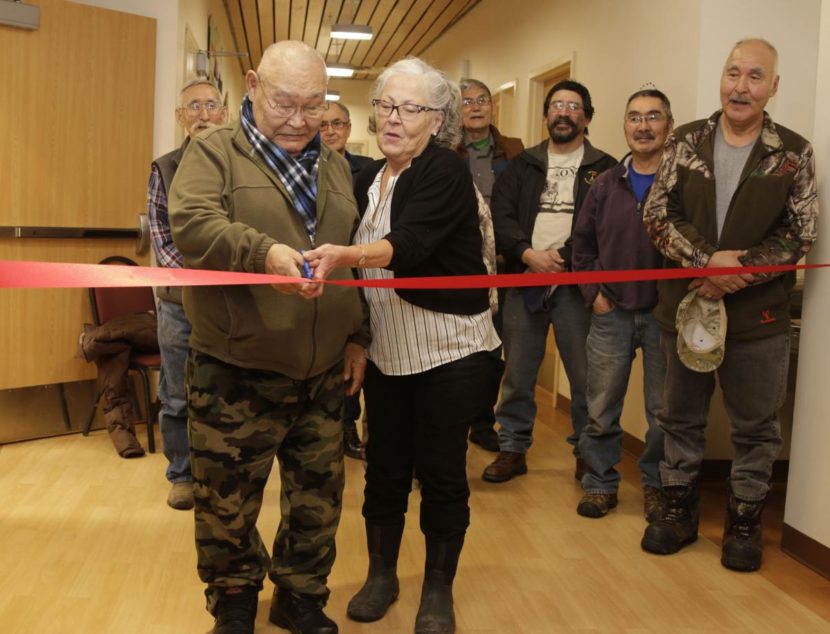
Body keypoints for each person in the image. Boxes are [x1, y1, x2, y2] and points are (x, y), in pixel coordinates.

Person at [169, 41, 369, 634]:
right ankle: (233, 600)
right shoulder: (213, 152)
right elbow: (193, 225)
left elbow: (347, 260)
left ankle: (300, 597)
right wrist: (265, 254)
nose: (300, 119)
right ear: (252, 85)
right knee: (226, 501)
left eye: (314, 105)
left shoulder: (334, 163)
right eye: (285, 103)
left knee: (318, 500)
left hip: (323, 368)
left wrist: (355, 335)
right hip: (235, 364)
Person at [304, 57, 500, 634]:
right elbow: (363, 281)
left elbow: (408, 246)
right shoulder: (367, 178)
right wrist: (357, 338)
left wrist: (343, 255)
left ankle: (437, 589)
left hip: (451, 350)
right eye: (386, 105)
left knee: (440, 471)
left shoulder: (443, 171)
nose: (393, 118)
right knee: (385, 468)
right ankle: (382, 574)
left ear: (436, 120)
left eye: (410, 109)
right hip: (389, 350)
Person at [641, 39, 818, 572]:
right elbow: (657, 215)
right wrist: (705, 262)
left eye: (755, 76)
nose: (741, 86)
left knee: (757, 427)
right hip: (683, 311)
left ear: (774, 87)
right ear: (722, 78)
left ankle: (744, 522)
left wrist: (735, 273)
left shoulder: (794, 152)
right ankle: (677, 512)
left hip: (758, 319)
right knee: (679, 417)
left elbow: (800, 234)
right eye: (733, 73)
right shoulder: (685, 140)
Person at [484, 80, 616, 483]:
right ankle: (512, 449)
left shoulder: (605, 168)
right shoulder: (522, 164)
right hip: (525, 279)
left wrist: (565, 258)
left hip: (577, 286)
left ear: (587, 117)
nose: (563, 112)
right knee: (519, 371)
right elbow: (500, 215)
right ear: (546, 117)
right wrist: (527, 253)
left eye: (573, 106)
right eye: (556, 105)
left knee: (584, 375)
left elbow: (604, 225)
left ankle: (586, 451)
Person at [571, 88, 673, 520]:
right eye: (634, 117)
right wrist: (594, 296)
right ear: (624, 125)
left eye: (653, 117)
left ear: (669, 124)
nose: (643, 126)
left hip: (663, 318)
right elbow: (582, 245)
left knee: (663, 413)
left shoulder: (682, 182)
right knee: (600, 407)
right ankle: (599, 483)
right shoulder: (605, 183)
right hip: (610, 313)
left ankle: (656, 486)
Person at [148, 79, 228, 510]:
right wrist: (209, 276)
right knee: (177, 392)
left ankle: (221, 473)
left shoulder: (242, 164)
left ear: (225, 114)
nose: (202, 114)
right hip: (179, 303)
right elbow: (163, 241)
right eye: (192, 106)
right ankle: (181, 475)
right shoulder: (165, 167)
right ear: (180, 118)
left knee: (223, 391)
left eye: (210, 105)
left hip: (230, 303)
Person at [456, 78, 525, 453]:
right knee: (464, 345)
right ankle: (456, 418)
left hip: (506, 264)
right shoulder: (447, 150)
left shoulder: (514, 150)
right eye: (467, 102)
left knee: (495, 347)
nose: (476, 107)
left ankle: (482, 422)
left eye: (482, 100)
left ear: (493, 105)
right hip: (463, 265)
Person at [319, 101, 372, 460]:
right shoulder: (306, 167)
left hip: (365, 271)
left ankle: (358, 427)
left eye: (337, 123)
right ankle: (330, 427)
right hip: (325, 271)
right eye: (323, 125)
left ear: (349, 128)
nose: (330, 130)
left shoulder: (367, 171)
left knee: (360, 352)